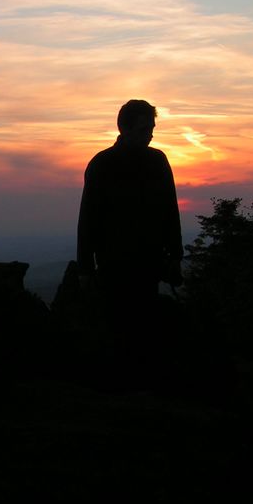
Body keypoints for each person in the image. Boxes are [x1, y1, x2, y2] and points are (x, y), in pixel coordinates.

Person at [76, 99, 183, 383]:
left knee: (143, 326)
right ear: (126, 128)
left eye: (152, 127)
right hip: (115, 264)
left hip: (147, 261)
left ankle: (140, 385)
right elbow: (88, 219)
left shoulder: (157, 160)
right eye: (145, 127)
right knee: (121, 326)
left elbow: (169, 209)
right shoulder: (103, 164)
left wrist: (175, 254)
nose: (151, 133)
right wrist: (85, 268)